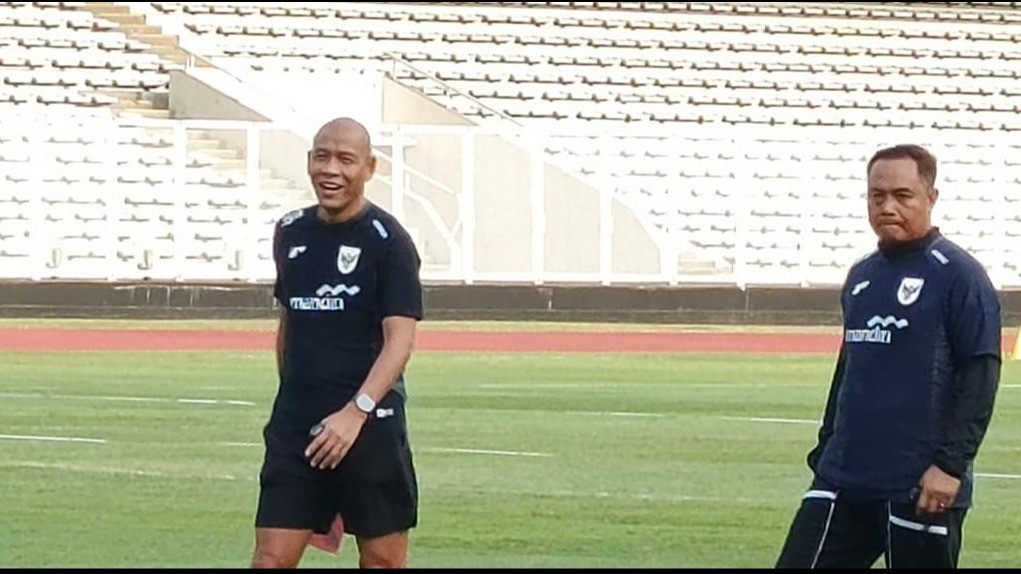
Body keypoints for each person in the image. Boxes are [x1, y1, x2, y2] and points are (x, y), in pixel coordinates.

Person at [775, 144, 1002, 568]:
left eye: (902, 195)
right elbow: (849, 367)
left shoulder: (959, 275)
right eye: (876, 196)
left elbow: (980, 375)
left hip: (920, 484)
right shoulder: (862, 275)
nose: (887, 206)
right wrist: (827, 445)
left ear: (931, 197)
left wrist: (951, 466)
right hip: (843, 476)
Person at [250, 117, 423, 568]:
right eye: (322, 157)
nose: (331, 170)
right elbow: (289, 323)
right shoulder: (291, 231)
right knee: (270, 559)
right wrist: (293, 400)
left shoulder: (389, 242)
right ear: (309, 161)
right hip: (298, 429)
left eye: (345, 160)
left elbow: (400, 342)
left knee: (382, 562)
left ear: (369, 167)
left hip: (368, 426)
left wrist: (355, 412)